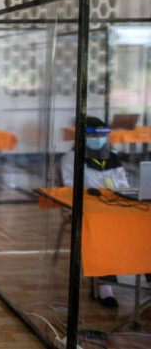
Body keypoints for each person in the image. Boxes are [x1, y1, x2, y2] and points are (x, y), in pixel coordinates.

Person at [59, 116, 129, 308]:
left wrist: (124, 196)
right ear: (82, 136)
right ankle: (105, 287)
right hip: (88, 209)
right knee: (102, 233)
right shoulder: (71, 159)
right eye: (92, 135)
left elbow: (122, 184)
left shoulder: (112, 156)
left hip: (114, 207)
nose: (98, 139)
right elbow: (69, 189)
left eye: (102, 135)